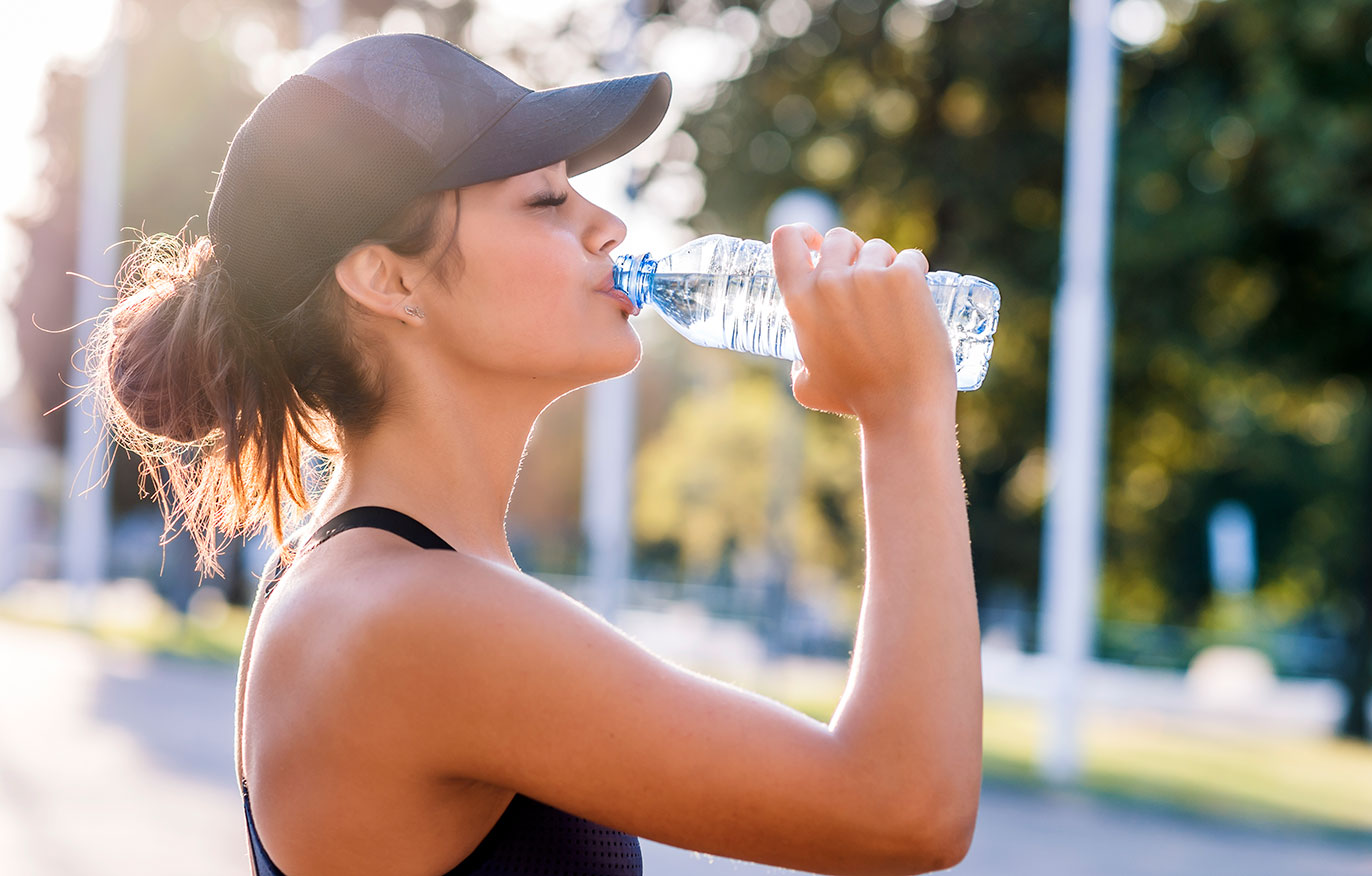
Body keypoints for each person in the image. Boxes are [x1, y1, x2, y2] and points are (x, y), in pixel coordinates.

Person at [92, 31, 979, 876]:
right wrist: (902, 415)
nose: (609, 229)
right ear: (387, 279)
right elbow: (902, 810)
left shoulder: (374, 580)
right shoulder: (409, 617)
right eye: (549, 200)